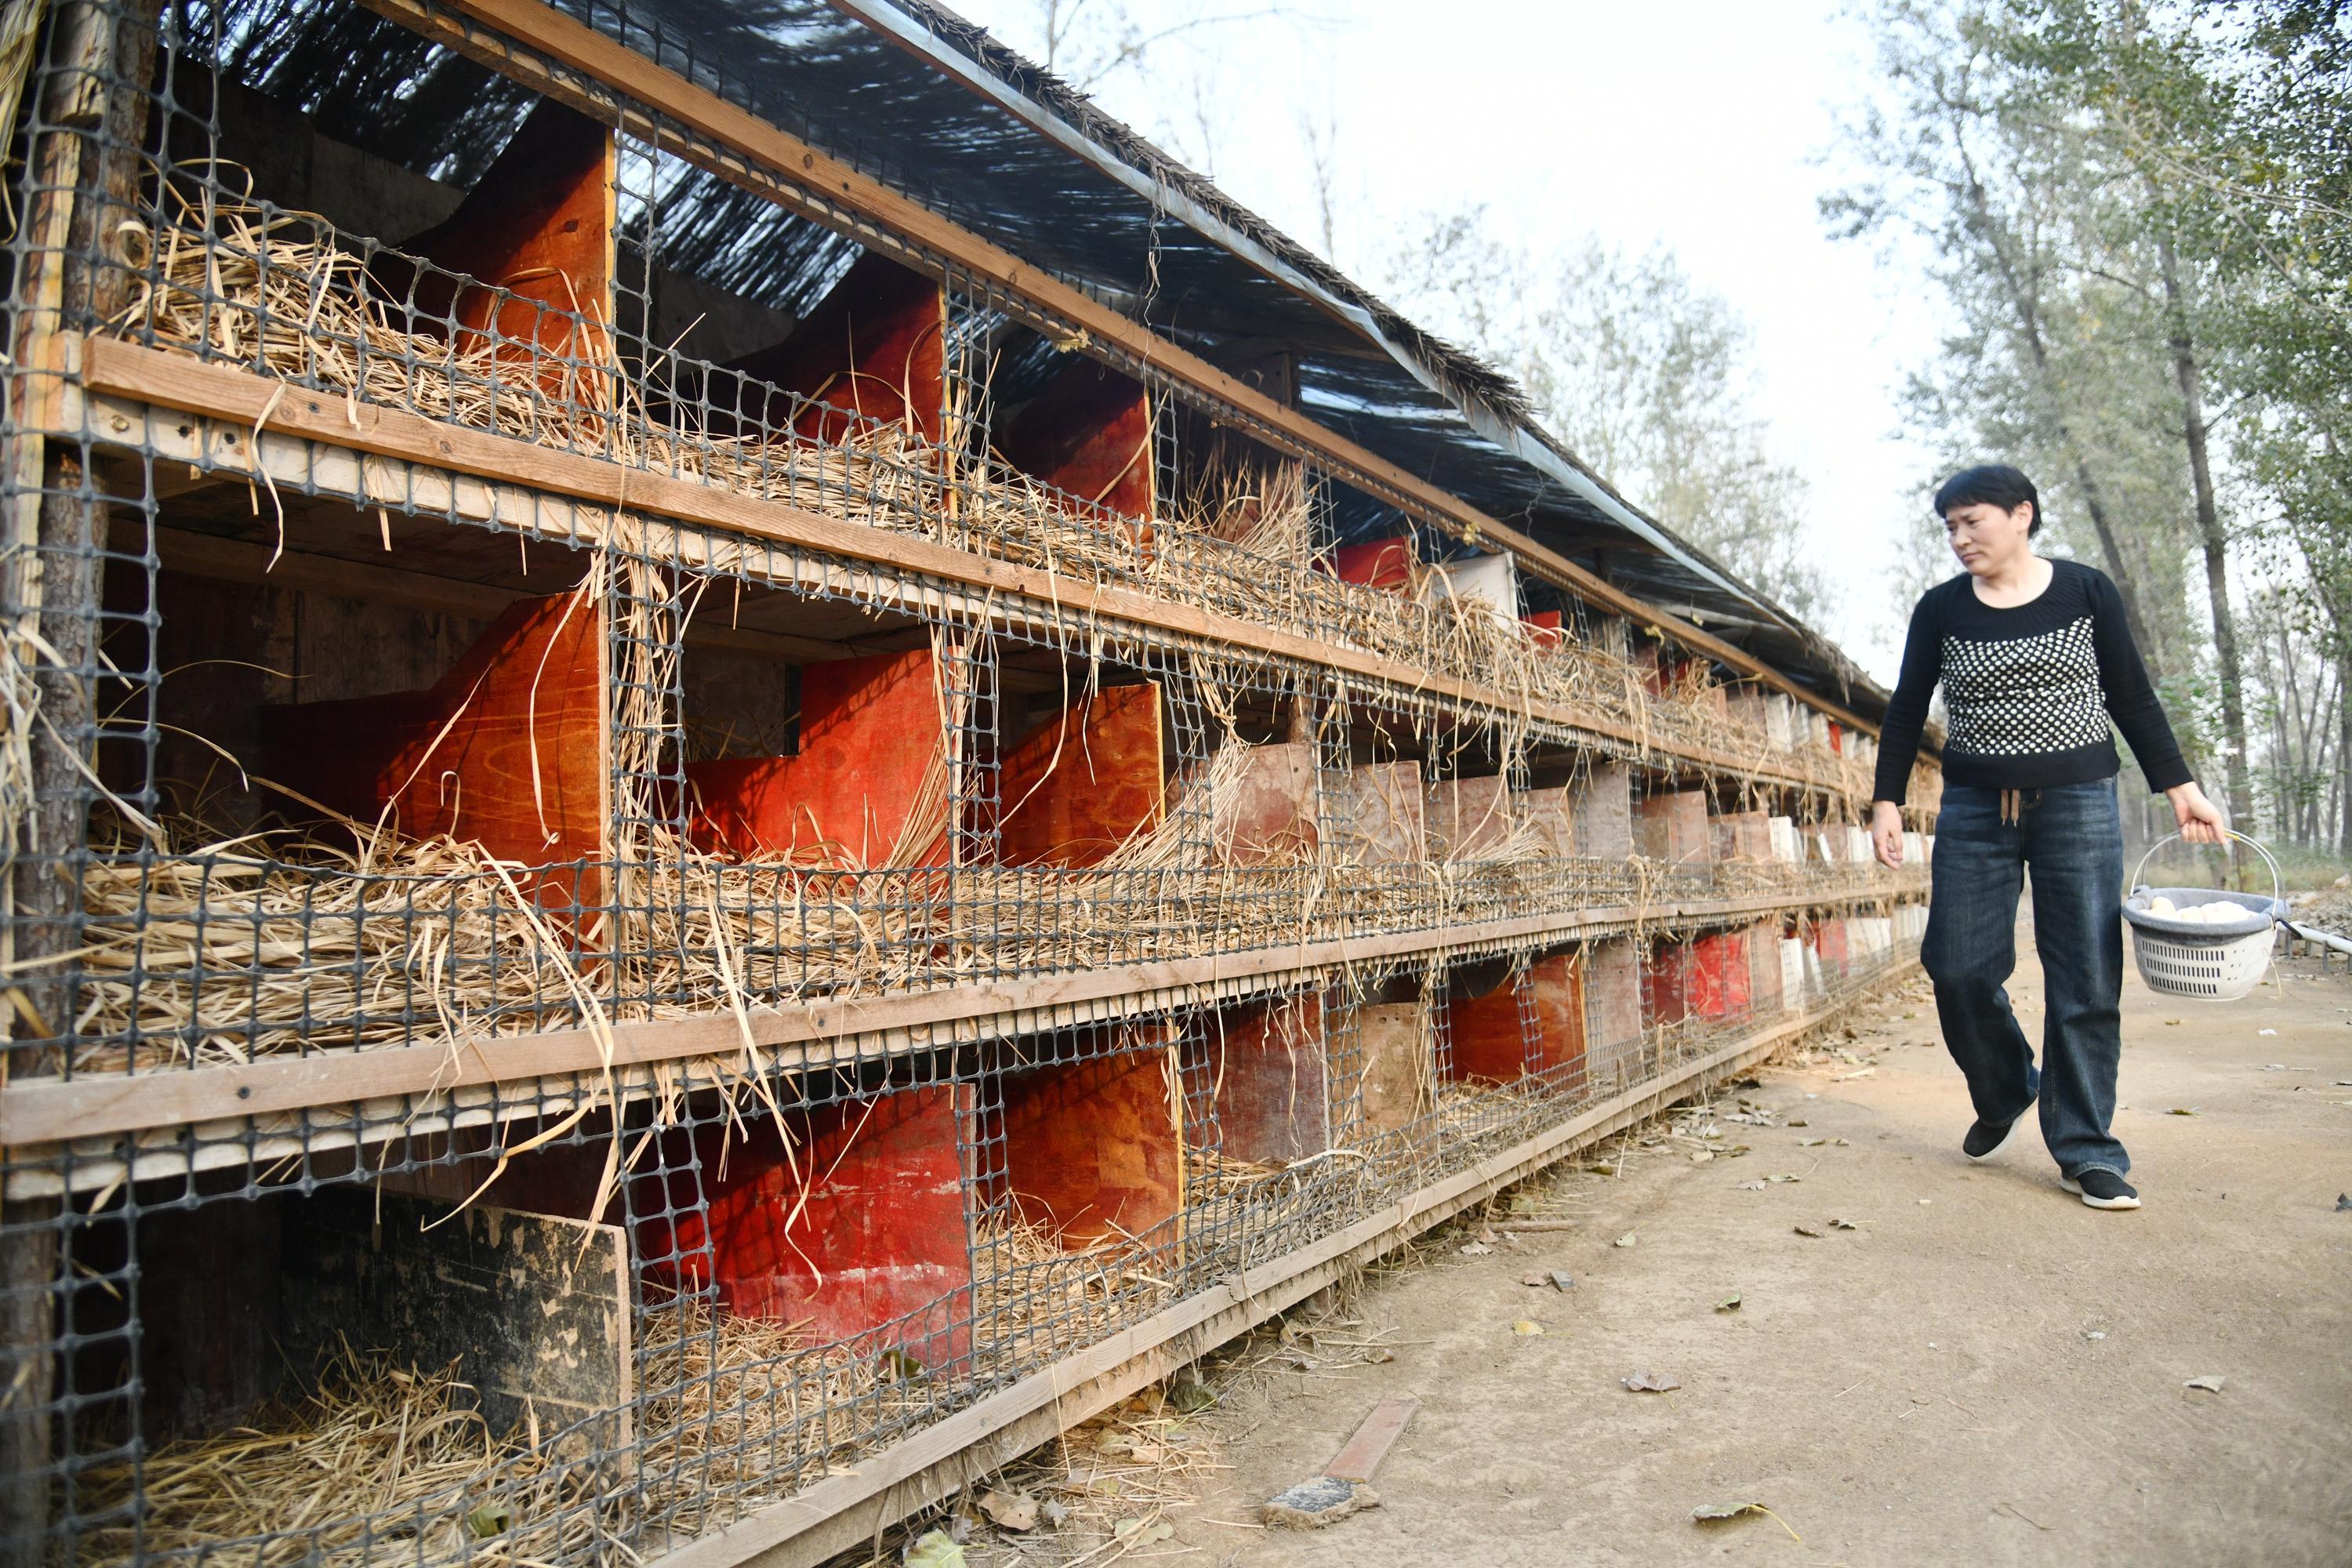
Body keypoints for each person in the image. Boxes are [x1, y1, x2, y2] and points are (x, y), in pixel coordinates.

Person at [1869, 464, 2225, 1211]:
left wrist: (2181, 788)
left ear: (2022, 514)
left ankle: (2088, 1150)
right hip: (1973, 807)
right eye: (1951, 528)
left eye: (1974, 522)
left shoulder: (2086, 590)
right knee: (1958, 965)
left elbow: (2129, 693)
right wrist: (1887, 800)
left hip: (2080, 806)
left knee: (2085, 976)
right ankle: (2005, 1090)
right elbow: (1906, 709)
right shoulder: (1941, 610)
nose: (1961, 539)